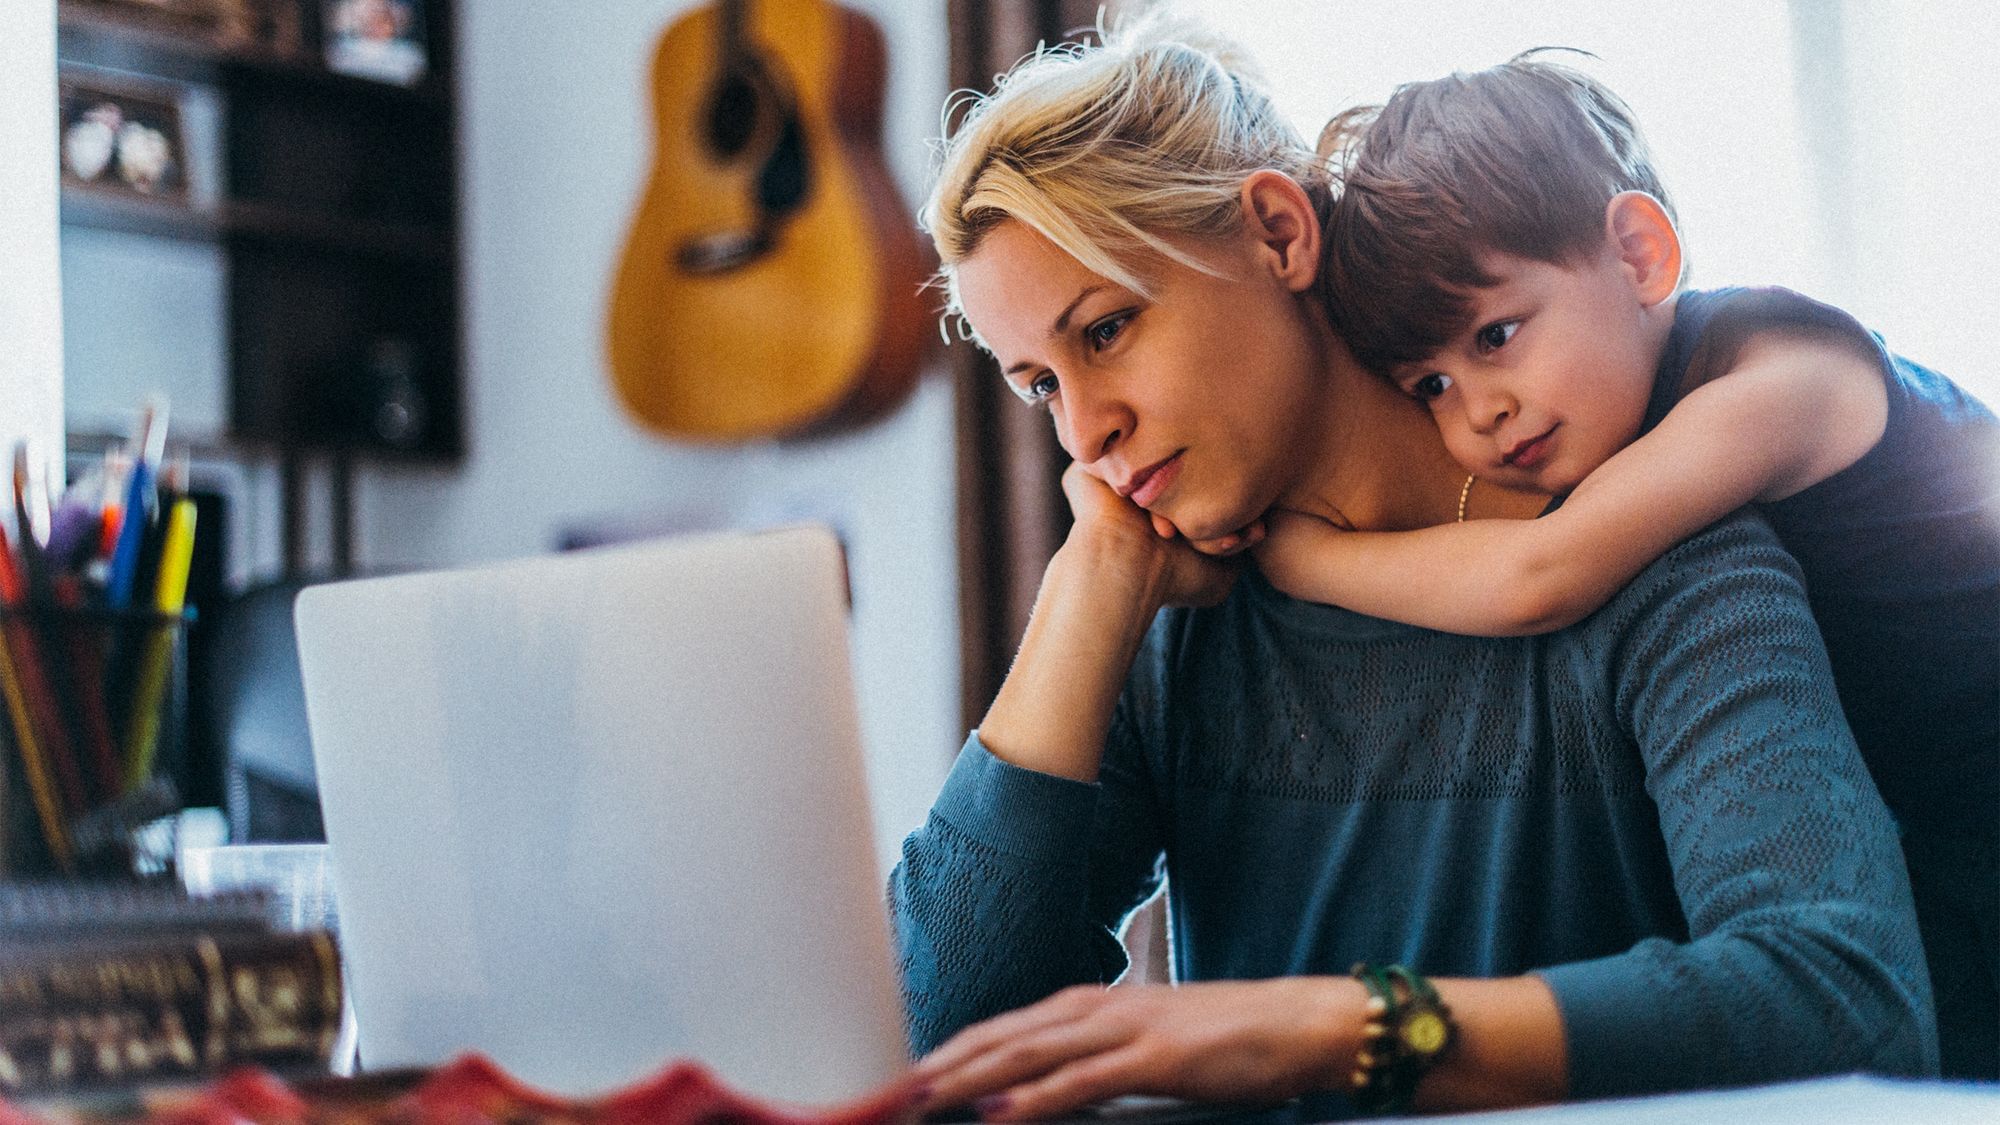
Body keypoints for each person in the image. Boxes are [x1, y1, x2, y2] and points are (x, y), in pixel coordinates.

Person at [889, 15, 1934, 1120]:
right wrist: (1086, 584)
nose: (1083, 434)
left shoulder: (1664, 562)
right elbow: (943, 1046)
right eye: (1040, 385)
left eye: (1103, 332)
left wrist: (1339, 1031)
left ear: (1278, 233)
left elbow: (1849, 1000)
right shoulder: (1170, 622)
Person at [1250, 54, 1999, 1078]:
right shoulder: (1622, 420)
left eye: (1496, 334)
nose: (1476, 412)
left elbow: (1538, 576)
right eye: (1427, 382)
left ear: (1640, 255)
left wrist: (1302, 555)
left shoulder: (1781, 378)